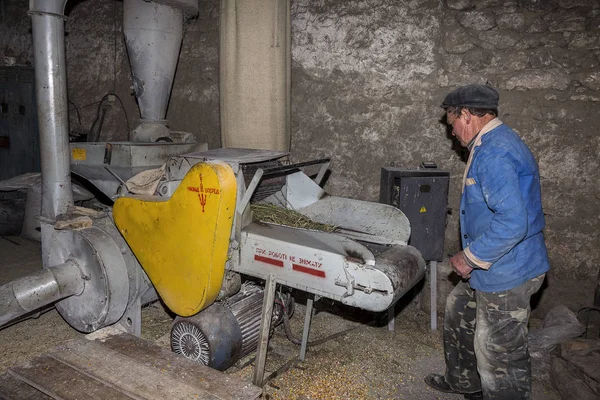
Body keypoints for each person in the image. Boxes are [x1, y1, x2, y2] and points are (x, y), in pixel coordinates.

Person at [424, 84, 550, 400]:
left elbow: (512, 222)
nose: (452, 132)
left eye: (451, 122)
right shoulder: (491, 142)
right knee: (459, 308)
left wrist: (470, 257)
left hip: (508, 269)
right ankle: (467, 383)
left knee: (498, 351)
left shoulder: (495, 152)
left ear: (466, 115)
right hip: (493, 262)